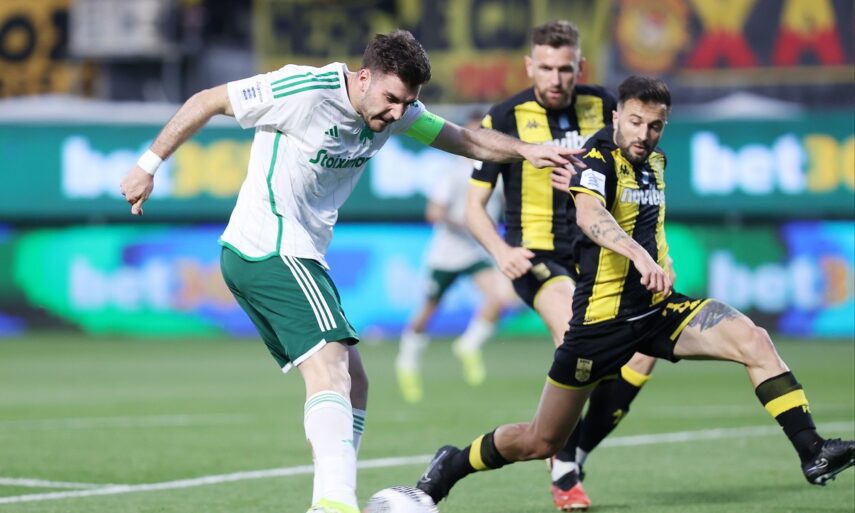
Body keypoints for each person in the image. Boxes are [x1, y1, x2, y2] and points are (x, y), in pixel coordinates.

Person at [119, 30, 582, 513]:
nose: (398, 114)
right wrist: (148, 165)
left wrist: (525, 151)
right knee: (332, 368)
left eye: (408, 103)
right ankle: (336, 502)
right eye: (391, 99)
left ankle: (329, 498)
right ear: (364, 78)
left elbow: (463, 138)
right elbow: (207, 100)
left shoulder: (396, 112)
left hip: (294, 254)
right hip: (270, 245)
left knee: (355, 381)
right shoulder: (304, 90)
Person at [417, 75, 855, 505]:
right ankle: (451, 465)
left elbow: (647, 223)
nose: (643, 134)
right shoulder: (595, 160)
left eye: (655, 125)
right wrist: (642, 259)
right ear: (615, 118)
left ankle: (812, 451)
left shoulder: (656, 161)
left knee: (754, 340)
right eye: (635, 122)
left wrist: (662, 260)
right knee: (540, 440)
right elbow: (591, 217)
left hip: (657, 311)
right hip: (601, 323)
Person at [465, 19, 659, 510]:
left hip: (598, 258)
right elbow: (472, 207)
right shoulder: (505, 117)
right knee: (577, 329)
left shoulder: (607, 107)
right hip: (538, 257)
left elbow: (637, 172)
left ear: (580, 67)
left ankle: (574, 451)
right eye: (547, 68)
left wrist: (587, 181)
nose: (556, 78)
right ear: (530, 66)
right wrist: (502, 252)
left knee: (643, 352)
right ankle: (565, 467)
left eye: (565, 69)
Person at [395, 113, 520, 403]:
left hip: (476, 251)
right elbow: (434, 212)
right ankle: (407, 360)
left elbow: (506, 204)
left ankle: (468, 345)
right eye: (476, 130)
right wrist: (465, 224)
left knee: (499, 297)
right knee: (429, 309)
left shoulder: (496, 171)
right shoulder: (453, 172)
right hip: (447, 253)